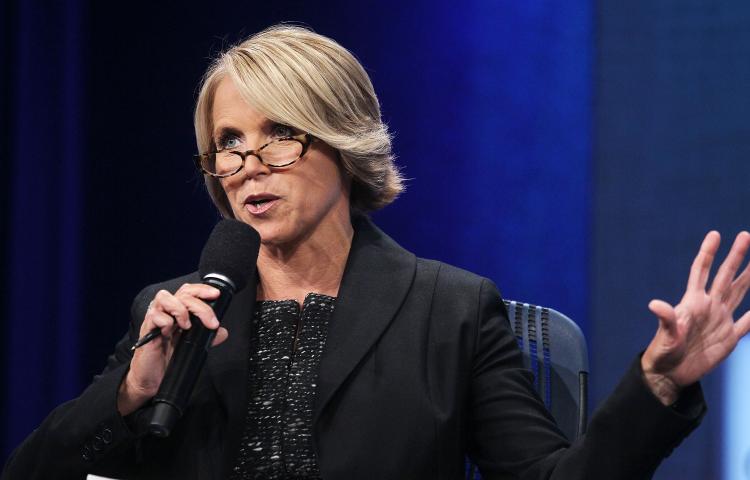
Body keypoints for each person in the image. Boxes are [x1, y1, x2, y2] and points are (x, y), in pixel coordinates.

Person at [3, 24, 750, 480]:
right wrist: (130, 394)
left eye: (277, 133)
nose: (247, 164)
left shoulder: (449, 311)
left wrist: (655, 383)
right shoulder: (176, 315)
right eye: (226, 144)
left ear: (343, 141)